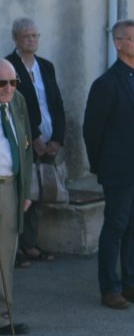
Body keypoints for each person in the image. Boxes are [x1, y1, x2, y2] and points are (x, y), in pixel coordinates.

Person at [82, 20, 134, 310]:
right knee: (116, 225)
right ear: (118, 43)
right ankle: (109, 288)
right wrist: (101, 166)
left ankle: (133, 283)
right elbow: (92, 130)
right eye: (133, 39)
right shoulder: (106, 84)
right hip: (119, 168)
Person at [6, 17, 65, 266]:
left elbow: (57, 103)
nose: (32, 40)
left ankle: (29, 244)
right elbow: (14, 107)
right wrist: (35, 138)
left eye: (35, 35)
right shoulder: (8, 66)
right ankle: (13, 249)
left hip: (49, 139)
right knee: (19, 196)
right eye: (26, 36)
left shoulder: (46, 66)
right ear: (16, 39)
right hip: (22, 141)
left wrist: (57, 139)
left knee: (38, 195)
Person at [0, 59, 33, 336]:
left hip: (9, 187)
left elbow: (26, 146)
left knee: (6, 253)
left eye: (12, 82)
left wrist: (26, 188)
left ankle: (3, 316)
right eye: (2, 83)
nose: (8, 88)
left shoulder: (17, 102)